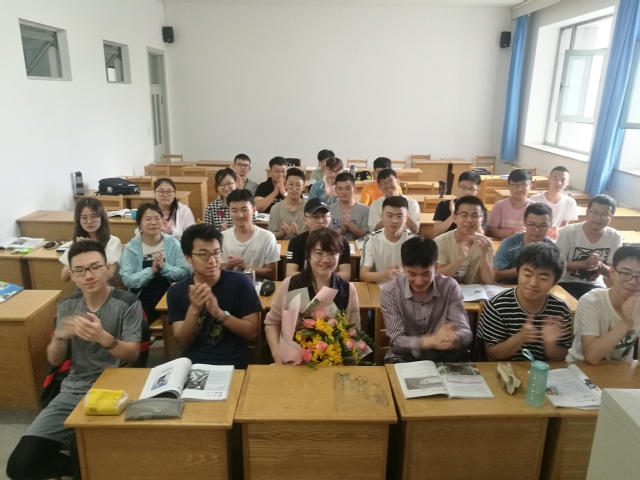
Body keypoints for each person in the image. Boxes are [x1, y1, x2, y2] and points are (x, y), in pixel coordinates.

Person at [7, 240, 144, 480]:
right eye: (79, 270)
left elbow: (133, 354)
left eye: (95, 267)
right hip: (74, 390)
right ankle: (86, 466)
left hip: (116, 390)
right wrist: (59, 337)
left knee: (83, 458)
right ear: (71, 275)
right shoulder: (67, 305)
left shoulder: (127, 302)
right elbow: (54, 359)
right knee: (19, 467)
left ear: (108, 268)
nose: (88, 276)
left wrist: (104, 338)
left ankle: (89, 464)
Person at [167, 224, 261, 369]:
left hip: (233, 364)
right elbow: (182, 342)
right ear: (188, 258)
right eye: (203, 254)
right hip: (194, 365)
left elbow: (252, 333)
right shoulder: (176, 291)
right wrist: (194, 308)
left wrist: (219, 314)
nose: (212, 261)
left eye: (216, 253)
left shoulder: (241, 282)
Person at [265, 228, 360, 364]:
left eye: (332, 253)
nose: (325, 259)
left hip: (334, 362)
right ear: (308, 255)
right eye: (319, 253)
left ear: (339, 256)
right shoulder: (290, 284)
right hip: (292, 362)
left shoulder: (347, 289)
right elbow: (272, 323)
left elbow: (354, 331)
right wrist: (277, 355)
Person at [381, 237, 472, 363]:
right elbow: (397, 341)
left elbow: (466, 334)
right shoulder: (390, 291)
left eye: (426, 274)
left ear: (436, 267)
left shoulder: (449, 287)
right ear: (403, 267)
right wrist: (431, 341)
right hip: (405, 356)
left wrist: (454, 338)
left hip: (444, 354)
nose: (419, 282)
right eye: (412, 274)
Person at [477, 242, 572, 361]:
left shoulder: (560, 309)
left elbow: (561, 357)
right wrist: (520, 338)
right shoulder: (498, 305)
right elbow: (492, 355)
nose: (533, 283)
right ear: (518, 273)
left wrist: (550, 343)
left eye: (543, 278)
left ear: (555, 282)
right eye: (527, 275)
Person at [566, 245, 640, 364]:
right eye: (625, 273)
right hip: (580, 368)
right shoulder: (591, 301)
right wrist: (626, 322)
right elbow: (591, 357)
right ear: (612, 272)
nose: (633, 281)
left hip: (620, 370)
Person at [120, 202, 190, 322]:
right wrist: (151, 271)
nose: (153, 223)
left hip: (170, 292)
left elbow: (184, 272)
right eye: (148, 219)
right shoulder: (131, 248)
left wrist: (164, 267)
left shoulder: (173, 244)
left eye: (157, 218)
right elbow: (127, 279)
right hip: (143, 295)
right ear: (139, 224)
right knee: (136, 322)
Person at [556, 194, 622, 300]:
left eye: (605, 214)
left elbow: (611, 273)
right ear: (587, 212)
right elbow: (557, 265)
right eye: (594, 212)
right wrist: (584, 264)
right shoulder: (568, 232)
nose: (598, 218)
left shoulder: (614, 236)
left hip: (595, 285)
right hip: (565, 282)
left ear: (611, 217)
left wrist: (599, 265)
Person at [286, 198, 352, 281]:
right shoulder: (296, 241)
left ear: (330, 217)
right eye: (315, 217)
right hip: (303, 284)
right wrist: (318, 279)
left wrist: (322, 280)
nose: (320, 221)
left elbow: (346, 274)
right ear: (305, 220)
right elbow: (290, 273)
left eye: (324, 216)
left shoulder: (341, 241)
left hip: (333, 285)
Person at [434, 196, 495, 285]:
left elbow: (488, 281)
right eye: (464, 215)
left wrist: (484, 257)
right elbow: (437, 277)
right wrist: (460, 259)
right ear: (454, 218)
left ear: (481, 220)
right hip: (446, 290)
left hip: (473, 292)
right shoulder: (440, 242)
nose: (469, 220)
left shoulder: (485, 244)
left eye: (475, 216)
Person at [221, 189, 279, 280]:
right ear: (229, 212)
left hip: (259, 287)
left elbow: (272, 273)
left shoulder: (267, 237)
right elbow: (218, 272)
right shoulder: (222, 238)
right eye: (234, 211)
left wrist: (245, 267)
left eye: (244, 210)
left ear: (254, 210)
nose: (240, 215)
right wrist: (229, 265)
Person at [59, 197, 122, 283]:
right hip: (84, 286)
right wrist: (79, 251)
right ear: (78, 220)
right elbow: (64, 277)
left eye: (94, 217)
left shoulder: (113, 241)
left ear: (101, 217)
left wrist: (90, 249)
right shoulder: (77, 242)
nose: (89, 221)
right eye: (84, 218)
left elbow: (109, 275)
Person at [359, 196, 416, 284]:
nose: (394, 221)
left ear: (406, 218)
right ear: (382, 217)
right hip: (379, 287)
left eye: (399, 216)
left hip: (405, 286)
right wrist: (386, 274)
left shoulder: (413, 241)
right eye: (389, 216)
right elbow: (363, 275)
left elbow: (418, 274)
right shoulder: (371, 239)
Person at [494, 203, 555, 284]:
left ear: (550, 225)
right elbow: (497, 276)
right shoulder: (508, 244)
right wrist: (526, 268)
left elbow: (554, 278)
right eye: (531, 225)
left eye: (543, 226)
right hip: (509, 287)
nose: (537, 230)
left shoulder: (553, 249)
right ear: (524, 223)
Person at [432, 170, 485, 237]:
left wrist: (476, 216)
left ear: (477, 190)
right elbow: (436, 232)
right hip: (447, 241)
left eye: (471, 188)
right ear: (457, 186)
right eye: (463, 187)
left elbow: (482, 235)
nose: (467, 192)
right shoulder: (444, 205)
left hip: (470, 242)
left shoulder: (480, 208)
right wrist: (453, 215)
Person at [367, 168, 420, 233]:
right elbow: (372, 229)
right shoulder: (376, 204)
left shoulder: (412, 203)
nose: (388, 185)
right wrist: (388, 218)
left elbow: (415, 230)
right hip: (383, 238)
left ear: (397, 181)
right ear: (379, 186)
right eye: (383, 182)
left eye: (390, 181)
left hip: (406, 238)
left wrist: (403, 214)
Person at [486, 169, 534, 240]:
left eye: (523, 185)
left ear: (530, 187)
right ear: (508, 186)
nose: (519, 189)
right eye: (514, 185)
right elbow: (489, 231)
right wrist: (511, 233)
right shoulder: (500, 206)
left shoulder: (534, 208)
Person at [529, 166, 578, 233]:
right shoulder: (534, 200)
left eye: (562, 180)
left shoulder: (570, 202)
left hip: (557, 237)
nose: (559, 183)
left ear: (567, 182)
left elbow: (564, 227)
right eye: (555, 179)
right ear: (549, 179)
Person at [268, 167, 307, 240]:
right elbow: (270, 236)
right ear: (285, 185)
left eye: (298, 185)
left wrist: (298, 233)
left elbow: (314, 235)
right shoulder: (275, 208)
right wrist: (282, 233)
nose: (294, 189)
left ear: (303, 187)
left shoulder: (308, 208)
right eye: (291, 184)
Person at [329, 172, 369, 240]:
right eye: (340, 189)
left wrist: (350, 226)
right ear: (336, 190)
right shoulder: (329, 210)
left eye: (347, 189)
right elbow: (325, 237)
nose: (344, 192)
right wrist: (340, 231)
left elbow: (367, 238)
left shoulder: (365, 211)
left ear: (355, 189)